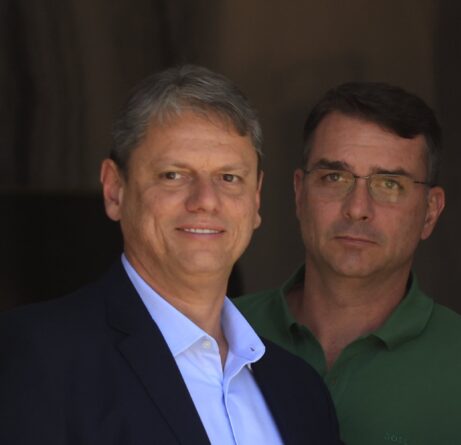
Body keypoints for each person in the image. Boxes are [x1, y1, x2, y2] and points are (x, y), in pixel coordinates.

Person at [0, 65, 341, 445]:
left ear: (256, 198)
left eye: (229, 178)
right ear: (114, 190)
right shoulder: (36, 355)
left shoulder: (301, 391)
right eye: (173, 175)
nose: (206, 200)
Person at [236, 81, 461, 445]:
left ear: (430, 212)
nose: (357, 208)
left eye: (389, 184)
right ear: (299, 194)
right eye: (334, 177)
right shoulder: (215, 333)